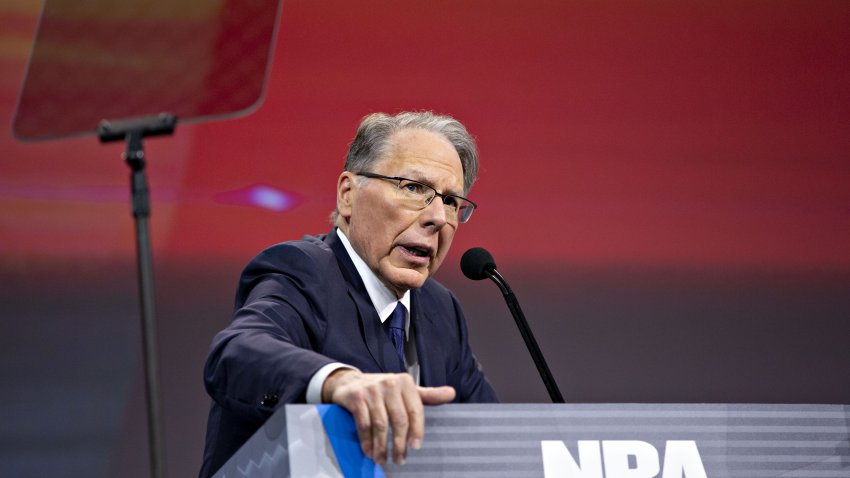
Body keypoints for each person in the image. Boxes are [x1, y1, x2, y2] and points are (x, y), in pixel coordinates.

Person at [199, 111, 498, 478]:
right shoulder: (302, 271)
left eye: (452, 201)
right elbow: (236, 353)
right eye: (413, 188)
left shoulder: (442, 311)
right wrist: (339, 381)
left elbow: (493, 440)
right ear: (348, 195)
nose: (438, 216)